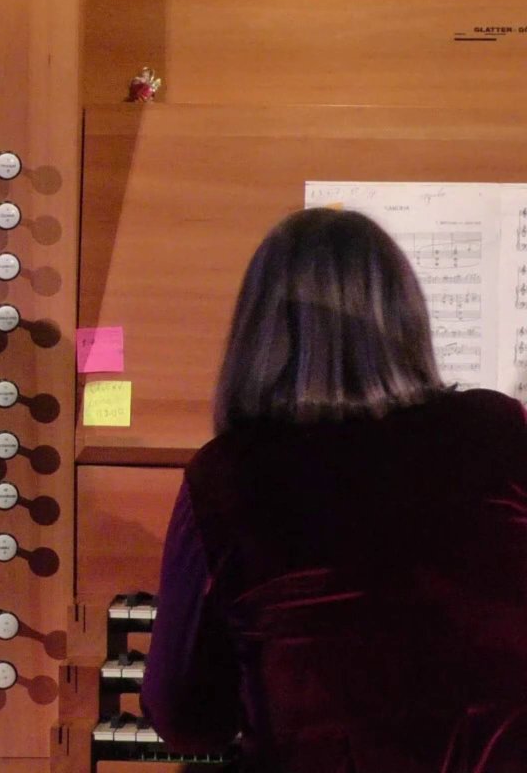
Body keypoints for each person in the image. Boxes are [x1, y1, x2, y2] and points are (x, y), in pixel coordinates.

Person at [142, 208, 527, 772]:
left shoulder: (226, 475)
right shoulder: (503, 429)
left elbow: (184, 719)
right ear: (405, 317)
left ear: (259, 335)